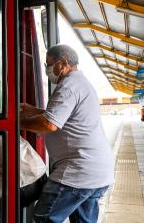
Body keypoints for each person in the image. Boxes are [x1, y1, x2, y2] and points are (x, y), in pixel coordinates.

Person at [20, 44, 114, 223]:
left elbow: (49, 123)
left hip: (77, 173)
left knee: (43, 218)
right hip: (97, 173)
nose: (48, 70)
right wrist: (33, 111)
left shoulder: (69, 85)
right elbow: (62, 115)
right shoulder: (81, 83)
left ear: (62, 63)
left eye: (49, 64)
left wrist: (17, 122)